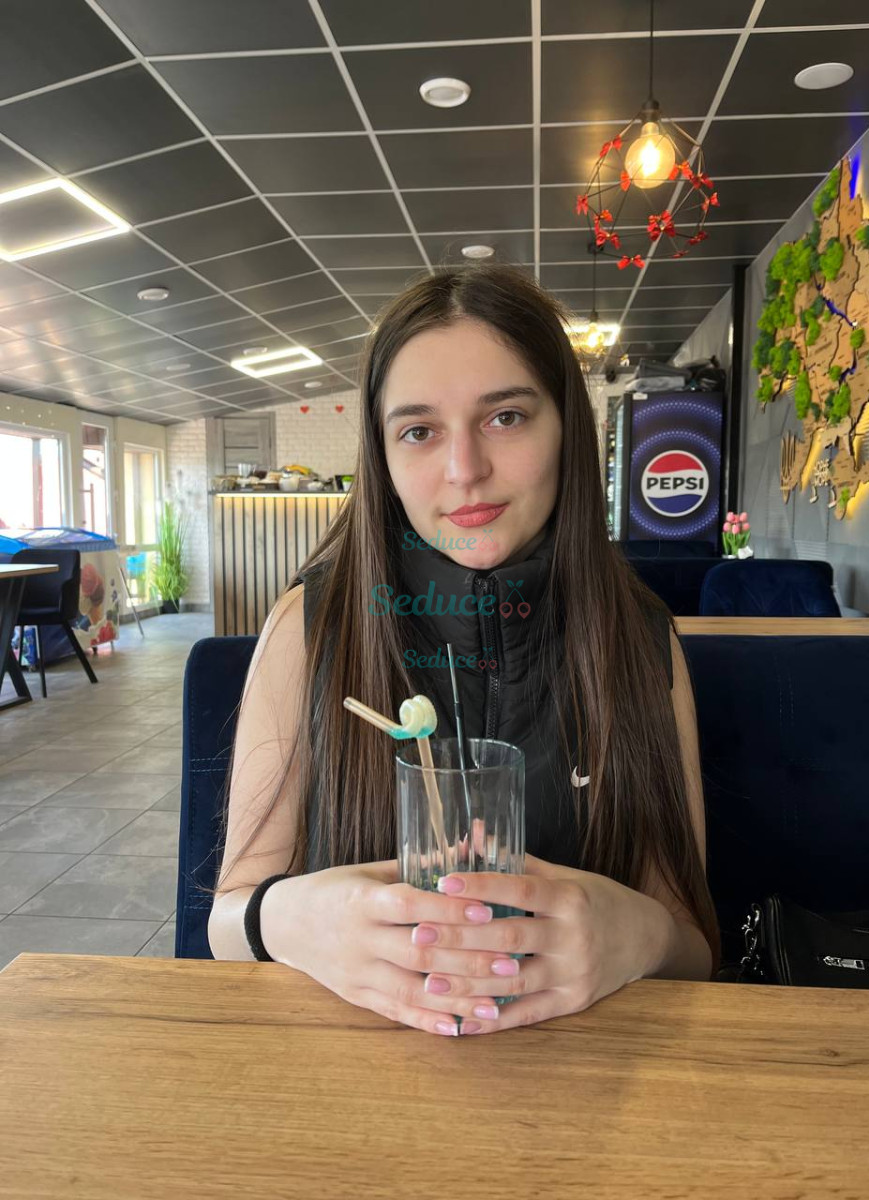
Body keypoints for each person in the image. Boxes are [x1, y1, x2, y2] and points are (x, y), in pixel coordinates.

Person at [206, 264, 721, 1037]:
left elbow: (695, 949)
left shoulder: (638, 635)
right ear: (382, 457)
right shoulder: (309, 628)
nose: (465, 470)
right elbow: (226, 923)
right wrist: (296, 919)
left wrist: (640, 934)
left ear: (565, 427)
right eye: (419, 431)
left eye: (506, 417)